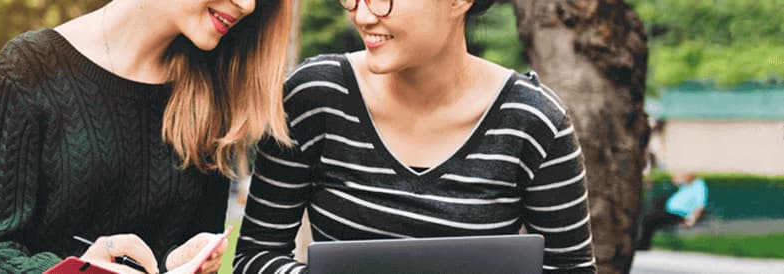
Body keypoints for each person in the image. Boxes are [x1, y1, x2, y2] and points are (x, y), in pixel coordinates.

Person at [234, 0, 597, 273]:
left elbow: (571, 268)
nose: (362, 14)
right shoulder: (313, 96)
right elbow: (255, 255)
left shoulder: (534, 121)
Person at [0, 0, 297, 273]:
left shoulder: (212, 95)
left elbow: (179, 251)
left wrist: (180, 262)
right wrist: (79, 270)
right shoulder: (29, 69)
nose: (248, 5)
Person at [637, 172, 708, 250]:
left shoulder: (699, 185)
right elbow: (675, 180)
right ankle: (643, 243)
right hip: (671, 212)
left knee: (649, 219)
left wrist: (692, 219)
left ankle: (644, 245)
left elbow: (700, 205)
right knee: (650, 218)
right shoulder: (688, 184)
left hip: (680, 214)